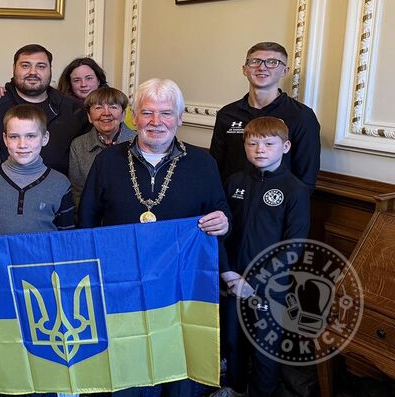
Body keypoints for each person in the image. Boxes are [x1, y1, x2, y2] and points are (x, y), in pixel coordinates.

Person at [78, 78, 229, 396]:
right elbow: (87, 220)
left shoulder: (203, 163)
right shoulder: (108, 161)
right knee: (128, 371)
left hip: (180, 287)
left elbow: (220, 213)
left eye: (166, 113)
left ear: (180, 117)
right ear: (133, 116)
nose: (156, 122)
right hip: (121, 285)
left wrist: (222, 222)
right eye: (147, 113)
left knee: (178, 370)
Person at [217, 117, 310, 397]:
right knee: (232, 341)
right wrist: (227, 272)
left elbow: (293, 247)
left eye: (269, 143)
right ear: (244, 145)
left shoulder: (295, 190)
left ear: (285, 146)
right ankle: (232, 388)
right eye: (253, 142)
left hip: (271, 287)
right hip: (232, 280)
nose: (260, 149)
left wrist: (254, 282)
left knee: (264, 348)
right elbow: (220, 231)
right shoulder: (233, 182)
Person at [210, 41, 321, 191]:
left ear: (284, 71)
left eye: (272, 62)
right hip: (230, 206)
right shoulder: (227, 114)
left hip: (277, 208)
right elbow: (215, 167)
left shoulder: (301, 116)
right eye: (255, 62)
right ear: (245, 69)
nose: (262, 67)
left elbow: (306, 178)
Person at [0, 105, 75, 239]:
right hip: (1, 259)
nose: (22, 144)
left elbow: (67, 237)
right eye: (14, 137)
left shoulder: (61, 183)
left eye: (30, 136)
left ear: (45, 138)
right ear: (5, 139)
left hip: (43, 259)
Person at [0, 44, 88, 176]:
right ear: (14, 68)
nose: (33, 72)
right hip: (0, 190)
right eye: (25, 65)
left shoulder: (73, 109)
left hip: (59, 191)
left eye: (41, 66)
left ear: (50, 70)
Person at [68, 87, 136, 206]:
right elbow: (77, 192)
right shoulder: (78, 145)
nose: (106, 113)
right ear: (89, 116)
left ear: (123, 115)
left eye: (113, 107)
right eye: (98, 107)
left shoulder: (139, 142)